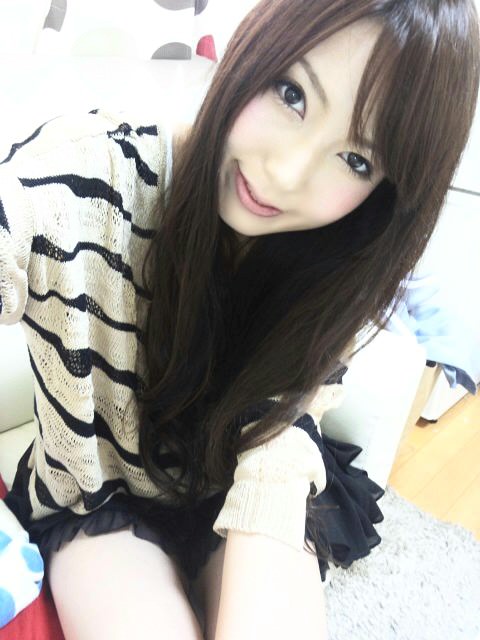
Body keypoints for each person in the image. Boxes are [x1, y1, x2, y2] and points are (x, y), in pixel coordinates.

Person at [0, 0, 478, 638]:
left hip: (247, 464)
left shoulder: (340, 260)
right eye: (292, 93)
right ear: (257, 43)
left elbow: (280, 434)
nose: (286, 172)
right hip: (98, 488)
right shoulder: (86, 175)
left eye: (357, 160)